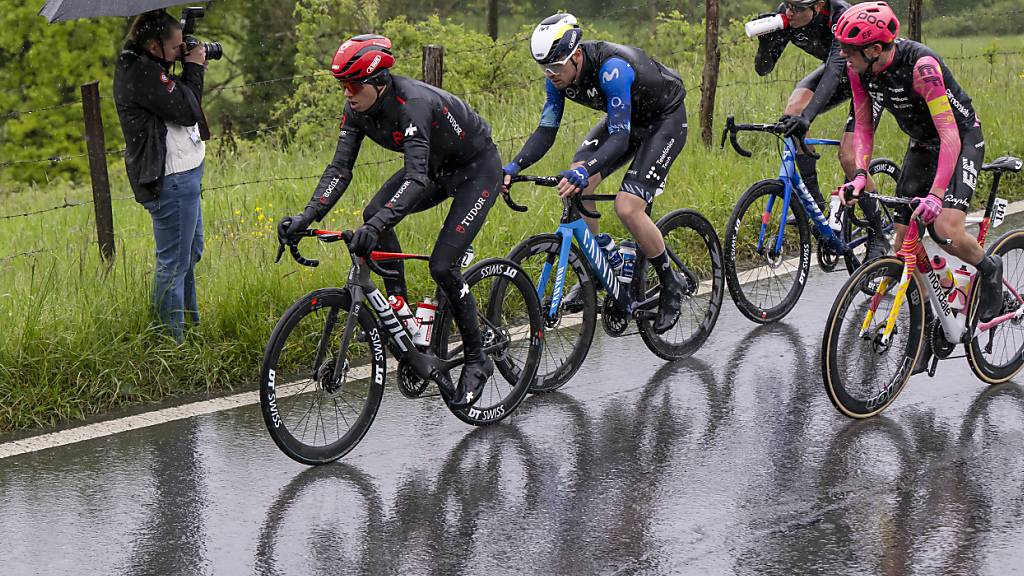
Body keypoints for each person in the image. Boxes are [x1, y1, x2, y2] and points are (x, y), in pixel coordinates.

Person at [278, 35, 500, 409]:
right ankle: (400, 307)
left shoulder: (412, 104)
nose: (346, 94)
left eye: (352, 84)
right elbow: (339, 169)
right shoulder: (357, 108)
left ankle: (478, 358)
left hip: (476, 171)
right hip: (434, 169)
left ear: (378, 82)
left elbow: (415, 180)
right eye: (341, 85)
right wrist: (306, 215)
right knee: (372, 215)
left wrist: (378, 226)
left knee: (442, 265)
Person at [501, 13, 688, 334]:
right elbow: (546, 131)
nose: (551, 74)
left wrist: (587, 169)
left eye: (556, 67)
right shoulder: (557, 76)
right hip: (626, 118)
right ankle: (597, 268)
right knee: (577, 182)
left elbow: (618, 138)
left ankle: (671, 282)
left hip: (662, 121)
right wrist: (513, 166)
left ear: (575, 56)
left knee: (628, 206)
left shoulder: (612, 69)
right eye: (545, 68)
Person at [835, 3, 1002, 344]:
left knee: (945, 230)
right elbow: (865, 125)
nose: (842, 55)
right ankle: (930, 320)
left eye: (849, 50)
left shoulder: (922, 68)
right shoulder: (859, 70)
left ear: (875, 49)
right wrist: (861, 174)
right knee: (903, 246)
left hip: (960, 139)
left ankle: (990, 269)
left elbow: (950, 136)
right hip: (923, 144)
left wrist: (937, 195)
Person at [755, 0, 889, 261]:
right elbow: (763, 68)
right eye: (788, 6)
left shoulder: (839, 15)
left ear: (817, 6)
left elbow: (835, 68)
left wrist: (809, 116)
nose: (789, 12)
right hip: (839, 74)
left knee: (849, 157)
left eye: (796, 8)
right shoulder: (789, 15)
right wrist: (766, 41)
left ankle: (878, 234)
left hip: (866, 77)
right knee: (792, 115)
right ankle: (814, 206)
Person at [114, 9, 210, 343]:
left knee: (189, 255)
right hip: (171, 178)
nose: (181, 51)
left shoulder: (148, 64)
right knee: (173, 264)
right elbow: (186, 110)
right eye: (175, 46)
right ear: (154, 46)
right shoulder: (139, 71)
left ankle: (188, 330)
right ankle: (170, 344)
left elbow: (174, 97)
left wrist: (180, 62)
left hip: (185, 174)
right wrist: (195, 67)